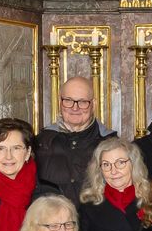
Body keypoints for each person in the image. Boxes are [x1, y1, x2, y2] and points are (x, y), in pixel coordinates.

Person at [36, 76, 117, 207]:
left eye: (82, 102)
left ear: (94, 104)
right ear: (59, 102)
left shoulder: (111, 144)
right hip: (51, 224)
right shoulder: (40, 142)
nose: (75, 108)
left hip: (95, 225)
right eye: (68, 100)